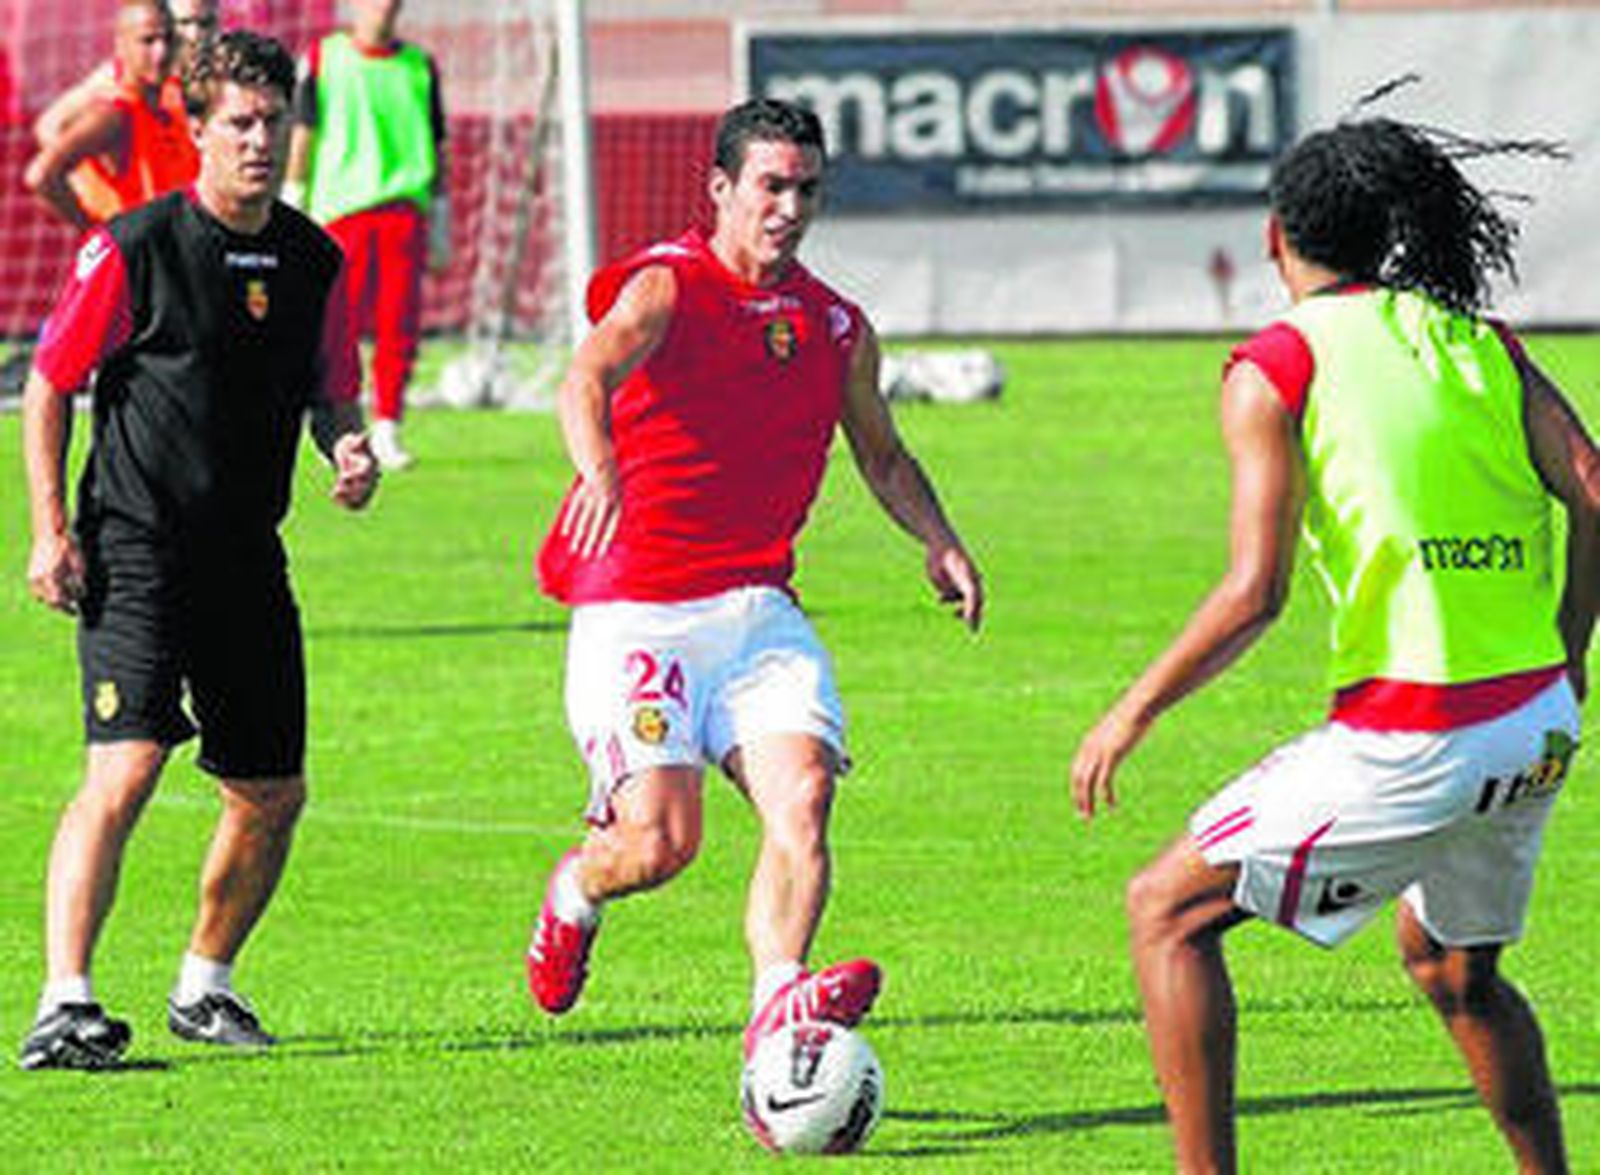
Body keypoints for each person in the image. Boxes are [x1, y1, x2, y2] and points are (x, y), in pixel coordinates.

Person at [1071, 115, 1589, 1174]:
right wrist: (1568, 651)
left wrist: (1131, 709)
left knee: (1165, 910)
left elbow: (1252, 593)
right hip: (1535, 721)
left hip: (1418, 732)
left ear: (1275, 237)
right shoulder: (1478, 340)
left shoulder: (1278, 361)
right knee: (1454, 971)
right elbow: (1592, 484)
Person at [526, 98, 984, 1057]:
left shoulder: (836, 325)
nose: (789, 208)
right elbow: (585, 378)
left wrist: (938, 540)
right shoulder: (666, 285)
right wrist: (601, 467)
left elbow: (883, 455)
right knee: (660, 844)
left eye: (807, 189)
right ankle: (576, 889)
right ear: (722, 189)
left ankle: (777, 1004)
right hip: (639, 608)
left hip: (756, 612)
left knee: (805, 791)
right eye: (771, 186)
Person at [18, 29, 378, 1071]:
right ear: (198, 129)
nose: (261, 140)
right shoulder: (133, 246)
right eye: (241, 123)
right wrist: (50, 529)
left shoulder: (313, 259)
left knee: (271, 792)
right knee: (126, 766)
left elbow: (331, 391)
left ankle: (204, 984)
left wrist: (347, 445)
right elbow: (50, 383)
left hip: (248, 559)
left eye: (275, 121)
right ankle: (64, 1001)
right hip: (136, 548)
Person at [286, 0, 449, 471]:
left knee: (399, 324)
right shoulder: (323, 58)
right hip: (341, 211)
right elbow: (303, 133)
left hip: (403, 210)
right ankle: (334, 425)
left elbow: (436, 144)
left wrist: (441, 217)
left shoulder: (420, 66)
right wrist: (294, 199)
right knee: (337, 325)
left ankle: (388, 426)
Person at [23, 0, 200, 232]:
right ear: (122, 45)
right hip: (135, 248)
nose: (161, 52)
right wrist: (98, 233)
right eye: (147, 41)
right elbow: (41, 175)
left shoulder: (172, 101)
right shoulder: (114, 114)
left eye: (169, 39)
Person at [33, 0, 220, 148]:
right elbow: (49, 126)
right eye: (184, 23)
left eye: (206, 24)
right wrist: (90, 183)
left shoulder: (221, 66)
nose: (195, 35)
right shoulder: (126, 74)